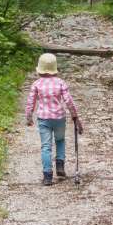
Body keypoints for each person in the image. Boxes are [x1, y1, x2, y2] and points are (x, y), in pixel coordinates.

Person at [26, 53, 83, 186]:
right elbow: (69, 101)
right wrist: (75, 116)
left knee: (46, 146)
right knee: (60, 140)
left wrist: (29, 117)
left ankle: (47, 176)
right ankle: (60, 167)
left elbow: (30, 102)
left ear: (40, 69)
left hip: (43, 119)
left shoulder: (37, 84)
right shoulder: (60, 82)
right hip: (59, 118)